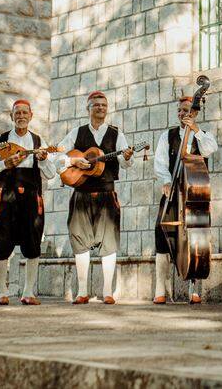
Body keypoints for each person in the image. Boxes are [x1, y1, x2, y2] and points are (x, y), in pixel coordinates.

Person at [56, 91, 134, 305]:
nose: (100, 108)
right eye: (96, 105)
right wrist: (73, 162)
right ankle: (82, 291)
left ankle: (107, 291)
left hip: (106, 194)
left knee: (109, 241)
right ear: (88, 109)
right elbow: (57, 156)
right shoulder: (77, 132)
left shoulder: (117, 134)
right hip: (81, 193)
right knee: (80, 239)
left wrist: (127, 157)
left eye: (103, 105)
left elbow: (126, 163)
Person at [0, 99, 57, 306]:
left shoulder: (39, 141)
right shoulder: (1, 140)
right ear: (11, 116)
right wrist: (4, 163)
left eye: (25, 113)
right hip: (6, 197)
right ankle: (1, 292)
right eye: (17, 113)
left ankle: (28, 292)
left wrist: (43, 159)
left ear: (31, 116)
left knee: (33, 242)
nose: (21, 116)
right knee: (2, 241)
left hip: (31, 199)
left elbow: (51, 174)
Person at [153, 96, 218, 304]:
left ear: (195, 112)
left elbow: (210, 149)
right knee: (162, 236)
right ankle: (160, 290)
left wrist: (195, 129)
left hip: (195, 198)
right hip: (172, 194)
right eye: (180, 110)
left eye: (186, 110)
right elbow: (160, 162)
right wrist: (166, 181)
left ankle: (193, 289)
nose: (182, 113)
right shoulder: (168, 136)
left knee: (196, 242)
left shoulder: (203, 135)